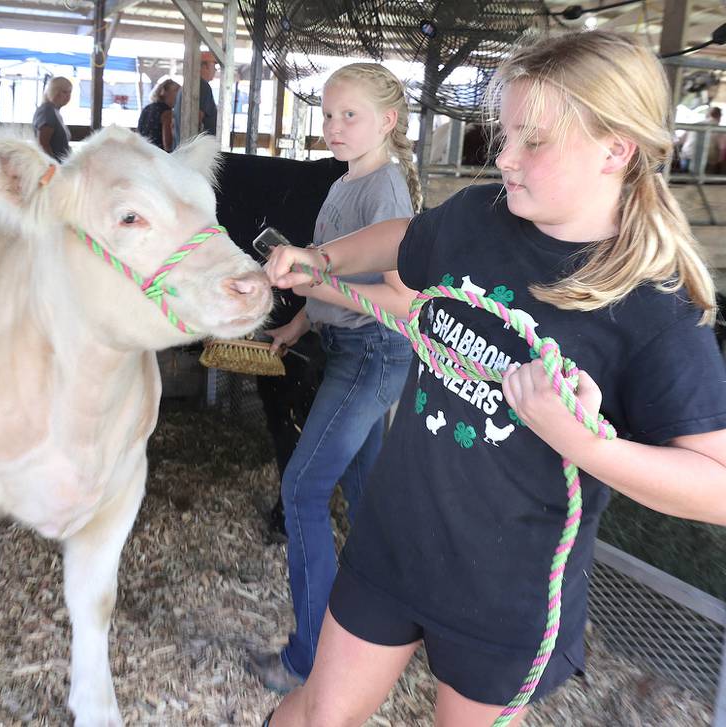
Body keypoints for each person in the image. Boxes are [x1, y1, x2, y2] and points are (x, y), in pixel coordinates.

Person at [262, 30, 726, 727]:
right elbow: (404, 236)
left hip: (505, 592)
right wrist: (323, 259)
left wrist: (588, 445)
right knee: (318, 714)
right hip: (395, 539)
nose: (504, 157)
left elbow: (715, 486)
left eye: (532, 141)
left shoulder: (652, 310)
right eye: (504, 133)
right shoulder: (481, 217)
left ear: (617, 148)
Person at [246, 63, 423, 693]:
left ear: (388, 121)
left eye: (349, 115)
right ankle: (403, 618)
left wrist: (314, 284)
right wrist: (297, 327)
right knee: (369, 490)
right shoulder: (346, 182)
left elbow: (395, 295)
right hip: (349, 347)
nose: (334, 127)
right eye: (327, 115)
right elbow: (337, 284)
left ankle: (309, 660)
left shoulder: (385, 190)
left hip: (372, 352)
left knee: (300, 491)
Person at [172, 51, 218, 149]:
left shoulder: (185, 87)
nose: (215, 70)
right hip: (194, 152)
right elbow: (196, 120)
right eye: (214, 66)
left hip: (182, 149)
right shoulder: (202, 86)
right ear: (204, 66)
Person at [32, 76, 72, 162]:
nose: (68, 96)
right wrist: (53, 165)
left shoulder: (53, 111)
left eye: (70, 92)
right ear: (54, 92)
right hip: (52, 167)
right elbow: (43, 144)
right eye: (64, 92)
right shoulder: (47, 111)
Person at [137, 77, 180, 151]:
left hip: (142, 152)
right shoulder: (166, 112)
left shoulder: (147, 108)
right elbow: (168, 146)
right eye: (176, 91)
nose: (179, 95)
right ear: (164, 92)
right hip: (157, 156)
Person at [678, 106, 721, 173]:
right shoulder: (719, 129)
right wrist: (719, 162)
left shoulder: (696, 124)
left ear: (707, 115)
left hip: (687, 157)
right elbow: (723, 148)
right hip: (706, 162)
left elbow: (681, 140)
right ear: (719, 116)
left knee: (684, 176)